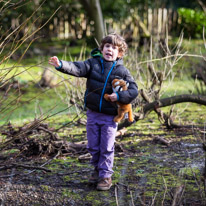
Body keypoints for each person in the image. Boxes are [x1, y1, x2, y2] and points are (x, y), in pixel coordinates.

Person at [49, 33, 138, 191]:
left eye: (114, 48)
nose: (110, 50)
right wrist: (61, 64)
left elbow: (133, 90)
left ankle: (105, 175)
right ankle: (97, 170)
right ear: (102, 49)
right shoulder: (93, 63)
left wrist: (118, 95)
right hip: (93, 113)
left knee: (107, 147)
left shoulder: (122, 71)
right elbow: (77, 68)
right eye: (107, 46)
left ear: (120, 53)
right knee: (93, 146)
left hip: (111, 117)